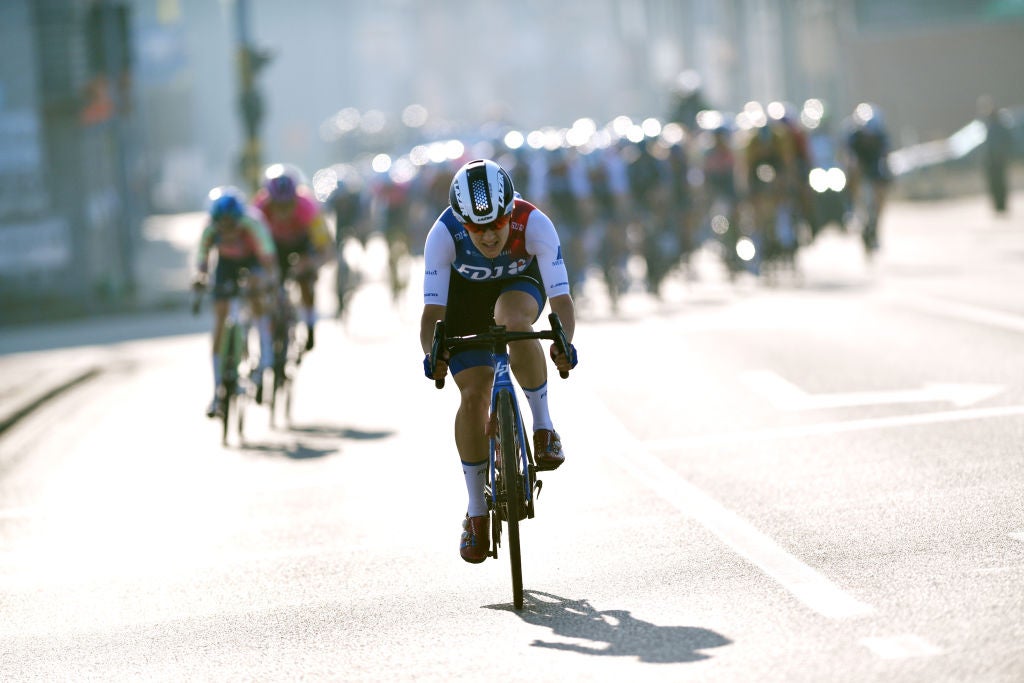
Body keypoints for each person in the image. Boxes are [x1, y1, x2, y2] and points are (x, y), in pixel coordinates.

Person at [419, 159, 579, 564]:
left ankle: (543, 427)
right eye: (477, 229)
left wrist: (564, 343)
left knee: (513, 319)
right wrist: (433, 355)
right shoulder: (443, 235)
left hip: (517, 287)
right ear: (462, 223)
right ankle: (476, 511)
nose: (489, 236)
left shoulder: (534, 223)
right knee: (473, 395)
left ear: (511, 211)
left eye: (497, 224)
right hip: (464, 301)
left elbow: (561, 301)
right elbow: (432, 315)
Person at [192, 186, 278, 418]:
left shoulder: (252, 224)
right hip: (226, 264)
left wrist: (268, 280)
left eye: (232, 225)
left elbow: (268, 257)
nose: (228, 231)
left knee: (256, 295)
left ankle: (266, 358)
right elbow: (202, 259)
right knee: (220, 318)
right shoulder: (210, 228)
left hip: (252, 260)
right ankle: (217, 390)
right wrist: (200, 278)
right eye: (223, 225)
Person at [252, 164, 335, 352]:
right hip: (274, 245)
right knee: (270, 284)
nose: (282, 211)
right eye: (278, 205)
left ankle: (310, 325)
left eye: (287, 204)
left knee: (306, 281)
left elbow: (325, 248)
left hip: (302, 243)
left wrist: (312, 263)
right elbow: (251, 240)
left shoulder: (308, 207)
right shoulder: (259, 207)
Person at [977, 95, 1013, 214]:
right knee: (994, 183)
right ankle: (998, 206)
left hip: (997, 159)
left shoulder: (998, 122)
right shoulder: (987, 123)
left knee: (999, 183)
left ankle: (1001, 205)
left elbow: (1004, 141)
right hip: (991, 160)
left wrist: (1001, 154)